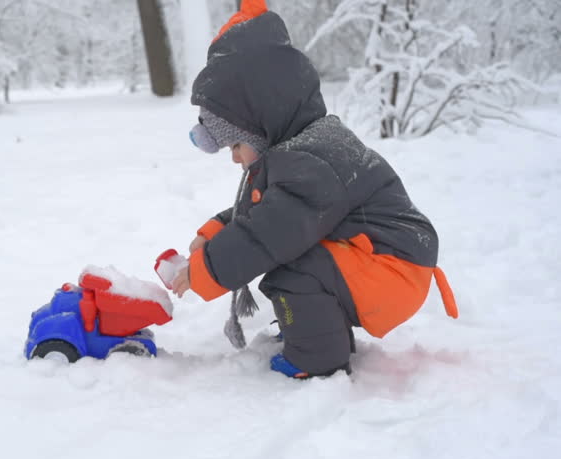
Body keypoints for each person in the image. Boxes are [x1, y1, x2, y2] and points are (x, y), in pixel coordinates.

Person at [170, 0, 459, 379]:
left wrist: (205, 270)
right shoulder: (301, 149)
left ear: (260, 124)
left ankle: (317, 358)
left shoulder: (310, 162)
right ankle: (317, 335)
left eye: (236, 145)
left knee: (291, 269)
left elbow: (266, 233)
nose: (235, 159)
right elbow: (263, 212)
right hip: (381, 261)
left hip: (393, 268)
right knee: (298, 257)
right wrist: (213, 234)